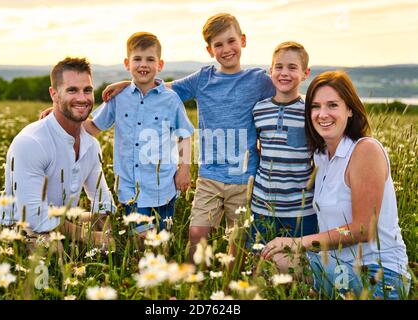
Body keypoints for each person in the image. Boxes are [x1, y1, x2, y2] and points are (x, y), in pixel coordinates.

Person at [102, 13, 276, 263]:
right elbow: (162, 90)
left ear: (243, 40)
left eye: (231, 41)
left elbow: (285, 94)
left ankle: (230, 284)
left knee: (238, 241)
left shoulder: (258, 80)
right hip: (209, 176)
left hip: (245, 176)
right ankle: (192, 282)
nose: (226, 49)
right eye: (218, 44)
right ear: (209, 49)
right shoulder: (203, 78)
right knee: (196, 233)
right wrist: (128, 83)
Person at [261, 70, 411, 299]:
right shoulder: (321, 157)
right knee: (272, 258)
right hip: (339, 266)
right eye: (315, 106)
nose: (323, 114)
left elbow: (363, 229)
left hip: (379, 276)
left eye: (332, 105)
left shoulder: (365, 150)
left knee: (283, 256)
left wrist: (297, 242)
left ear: (350, 109)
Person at [0, 57, 115, 247]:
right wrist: (89, 237)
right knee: (53, 247)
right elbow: (33, 216)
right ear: (54, 94)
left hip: (61, 220)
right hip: (20, 226)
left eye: (88, 90)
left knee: (107, 224)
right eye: (72, 90)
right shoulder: (32, 141)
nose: (82, 98)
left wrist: (107, 229)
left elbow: (103, 202)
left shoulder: (90, 145)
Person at [88, 32, 194, 235]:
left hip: (163, 186)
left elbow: (185, 134)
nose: (143, 64)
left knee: (163, 239)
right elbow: (93, 127)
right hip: (131, 188)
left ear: (160, 64)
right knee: (141, 239)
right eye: (137, 59)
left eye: (150, 59)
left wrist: (184, 169)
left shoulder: (170, 99)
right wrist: (58, 115)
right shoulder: (118, 98)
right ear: (127, 63)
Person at [251, 41, 317, 245]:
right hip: (262, 204)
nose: (284, 73)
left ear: (306, 73)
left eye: (292, 67)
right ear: (270, 71)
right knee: (259, 263)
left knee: (298, 268)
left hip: (301, 208)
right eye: (278, 67)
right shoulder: (258, 110)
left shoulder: (310, 110)